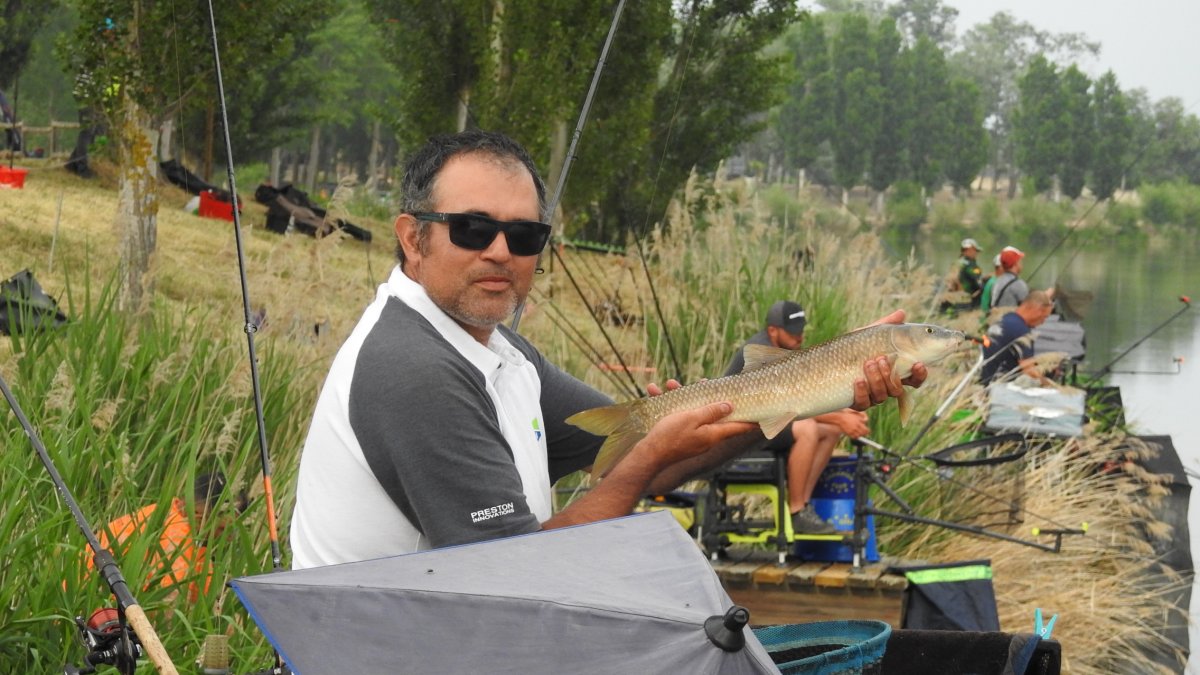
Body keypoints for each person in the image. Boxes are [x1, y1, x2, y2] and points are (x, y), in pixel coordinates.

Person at [288, 130, 927, 569]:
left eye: (526, 234)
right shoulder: (416, 369)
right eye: (473, 228)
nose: (500, 252)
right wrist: (647, 453)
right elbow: (523, 570)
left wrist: (812, 383)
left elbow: (645, 456)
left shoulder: (497, 351)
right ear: (412, 237)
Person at [723, 301, 869, 535]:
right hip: (739, 435)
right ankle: (797, 511)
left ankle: (804, 504)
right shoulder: (760, 351)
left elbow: (798, 399)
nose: (799, 336)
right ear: (773, 331)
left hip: (765, 426)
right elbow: (783, 404)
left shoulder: (784, 350)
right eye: (792, 331)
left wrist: (842, 414)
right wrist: (838, 418)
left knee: (830, 432)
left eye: (801, 329)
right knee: (808, 429)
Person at [87, 472, 246, 602]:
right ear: (201, 512)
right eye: (223, 530)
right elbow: (168, 607)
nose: (229, 538)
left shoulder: (164, 511)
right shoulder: (176, 538)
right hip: (98, 614)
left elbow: (205, 595)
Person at [981, 290, 1055, 385]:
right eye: (1044, 317)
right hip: (1000, 386)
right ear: (1037, 310)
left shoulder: (1004, 319)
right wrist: (1050, 385)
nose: (1043, 322)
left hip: (986, 379)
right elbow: (1029, 371)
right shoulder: (1021, 331)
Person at [956, 238, 984, 307]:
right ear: (968, 250)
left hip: (957, 298)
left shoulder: (957, 263)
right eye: (975, 250)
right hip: (968, 300)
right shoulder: (970, 265)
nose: (976, 253)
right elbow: (978, 284)